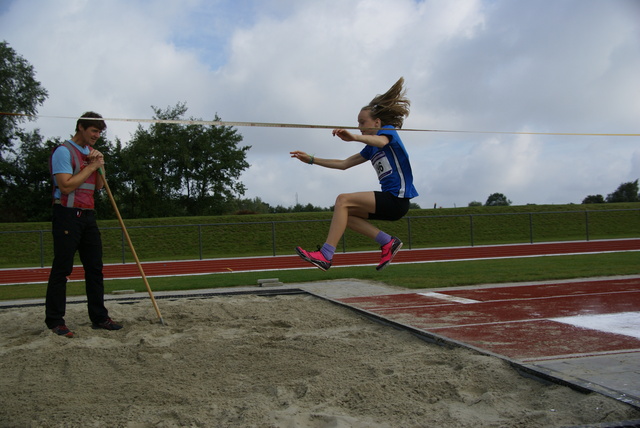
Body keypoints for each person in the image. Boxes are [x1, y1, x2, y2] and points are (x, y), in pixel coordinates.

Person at [291, 77, 418, 271]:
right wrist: (311, 159)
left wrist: (354, 137)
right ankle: (388, 242)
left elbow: (382, 142)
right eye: (357, 123)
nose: (359, 126)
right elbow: (344, 164)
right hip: (391, 202)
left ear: (377, 122)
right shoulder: (370, 148)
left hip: (397, 199)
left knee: (342, 200)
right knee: (345, 215)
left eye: (362, 122)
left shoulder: (388, 132)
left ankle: (326, 255)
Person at [45, 111, 122, 337]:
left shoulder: (93, 153)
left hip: (88, 215)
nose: (97, 135)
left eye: (99, 132)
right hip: (67, 214)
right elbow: (66, 186)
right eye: (94, 130)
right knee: (62, 269)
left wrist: (100, 165)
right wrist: (89, 167)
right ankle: (55, 321)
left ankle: (99, 317)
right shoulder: (63, 151)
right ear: (81, 127)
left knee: (95, 269)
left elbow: (98, 186)